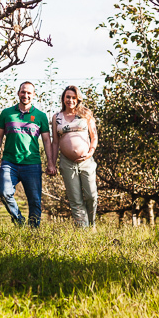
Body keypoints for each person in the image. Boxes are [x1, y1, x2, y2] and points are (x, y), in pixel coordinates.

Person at [0, 81, 56, 227]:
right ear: (18, 93)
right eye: (23, 92)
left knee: (34, 200)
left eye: (29, 93)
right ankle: (19, 221)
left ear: (34, 95)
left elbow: (46, 140)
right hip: (9, 162)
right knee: (4, 193)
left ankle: (33, 232)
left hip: (32, 163)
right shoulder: (7, 113)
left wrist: (50, 163)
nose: (25, 95)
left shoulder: (40, 116)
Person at [51, 85, 98, 228]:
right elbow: (55, 142)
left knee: (91, 196)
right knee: (75, 199)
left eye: (73, 97)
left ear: (78, 99)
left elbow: (94, 136)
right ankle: (83, 231)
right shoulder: (57, 117)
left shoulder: (86, 114)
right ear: (63, 98)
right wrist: (51, 163)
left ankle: (91, 225)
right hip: (67, 162)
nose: (70, 100)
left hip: (86, 161)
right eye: (68, 97)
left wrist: (90, 152)